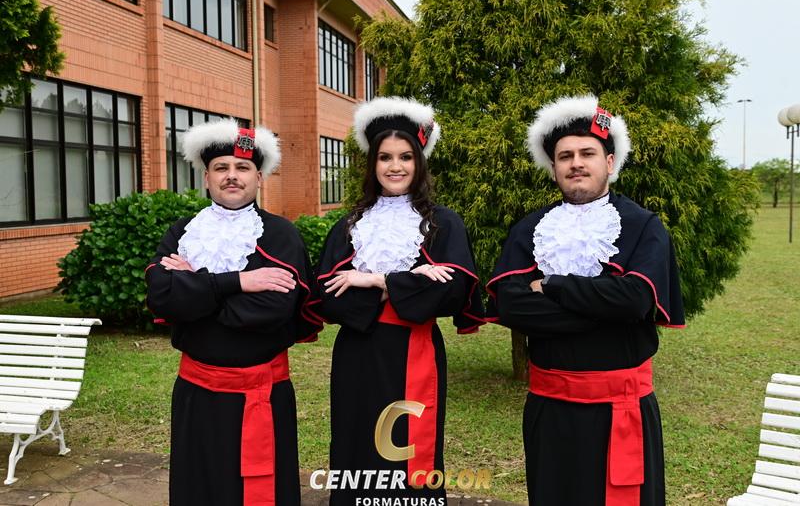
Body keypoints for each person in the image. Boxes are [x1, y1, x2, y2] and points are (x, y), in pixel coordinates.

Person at [487, 95, 685, 506]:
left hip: (621, 409)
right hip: (550, 410)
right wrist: (603, 308)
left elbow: (635, 300)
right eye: (565, 156)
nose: (576, 163)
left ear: (609, 162)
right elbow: (511, 306)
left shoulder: (643, 226)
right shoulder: (530, 229)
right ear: (554, 167)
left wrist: (553, 286)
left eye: (587, 153)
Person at [313, 97, 485, 505]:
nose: (395, 166)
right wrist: (411, 282)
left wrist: (376, 279)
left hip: (414, 353)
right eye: (385, 157)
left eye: (406, 157)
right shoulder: (350, 224)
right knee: (356, 448)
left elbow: (453, 290)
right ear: (372, 164)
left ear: (419, 162)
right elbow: (327, 296)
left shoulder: (443, 223)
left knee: (407, 454)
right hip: (357, 356)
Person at [145, 119, 320, 506]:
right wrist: (238, 282)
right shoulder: (182, 231)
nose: (231, 176)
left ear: (259, 177)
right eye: (221, 167)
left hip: (261, 394)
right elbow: (162, 296)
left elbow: (272, 310)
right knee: (198, 490)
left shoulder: (281, 235)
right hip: (195, 394)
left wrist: (195, 289)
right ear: (206, 178)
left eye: (242, 167)